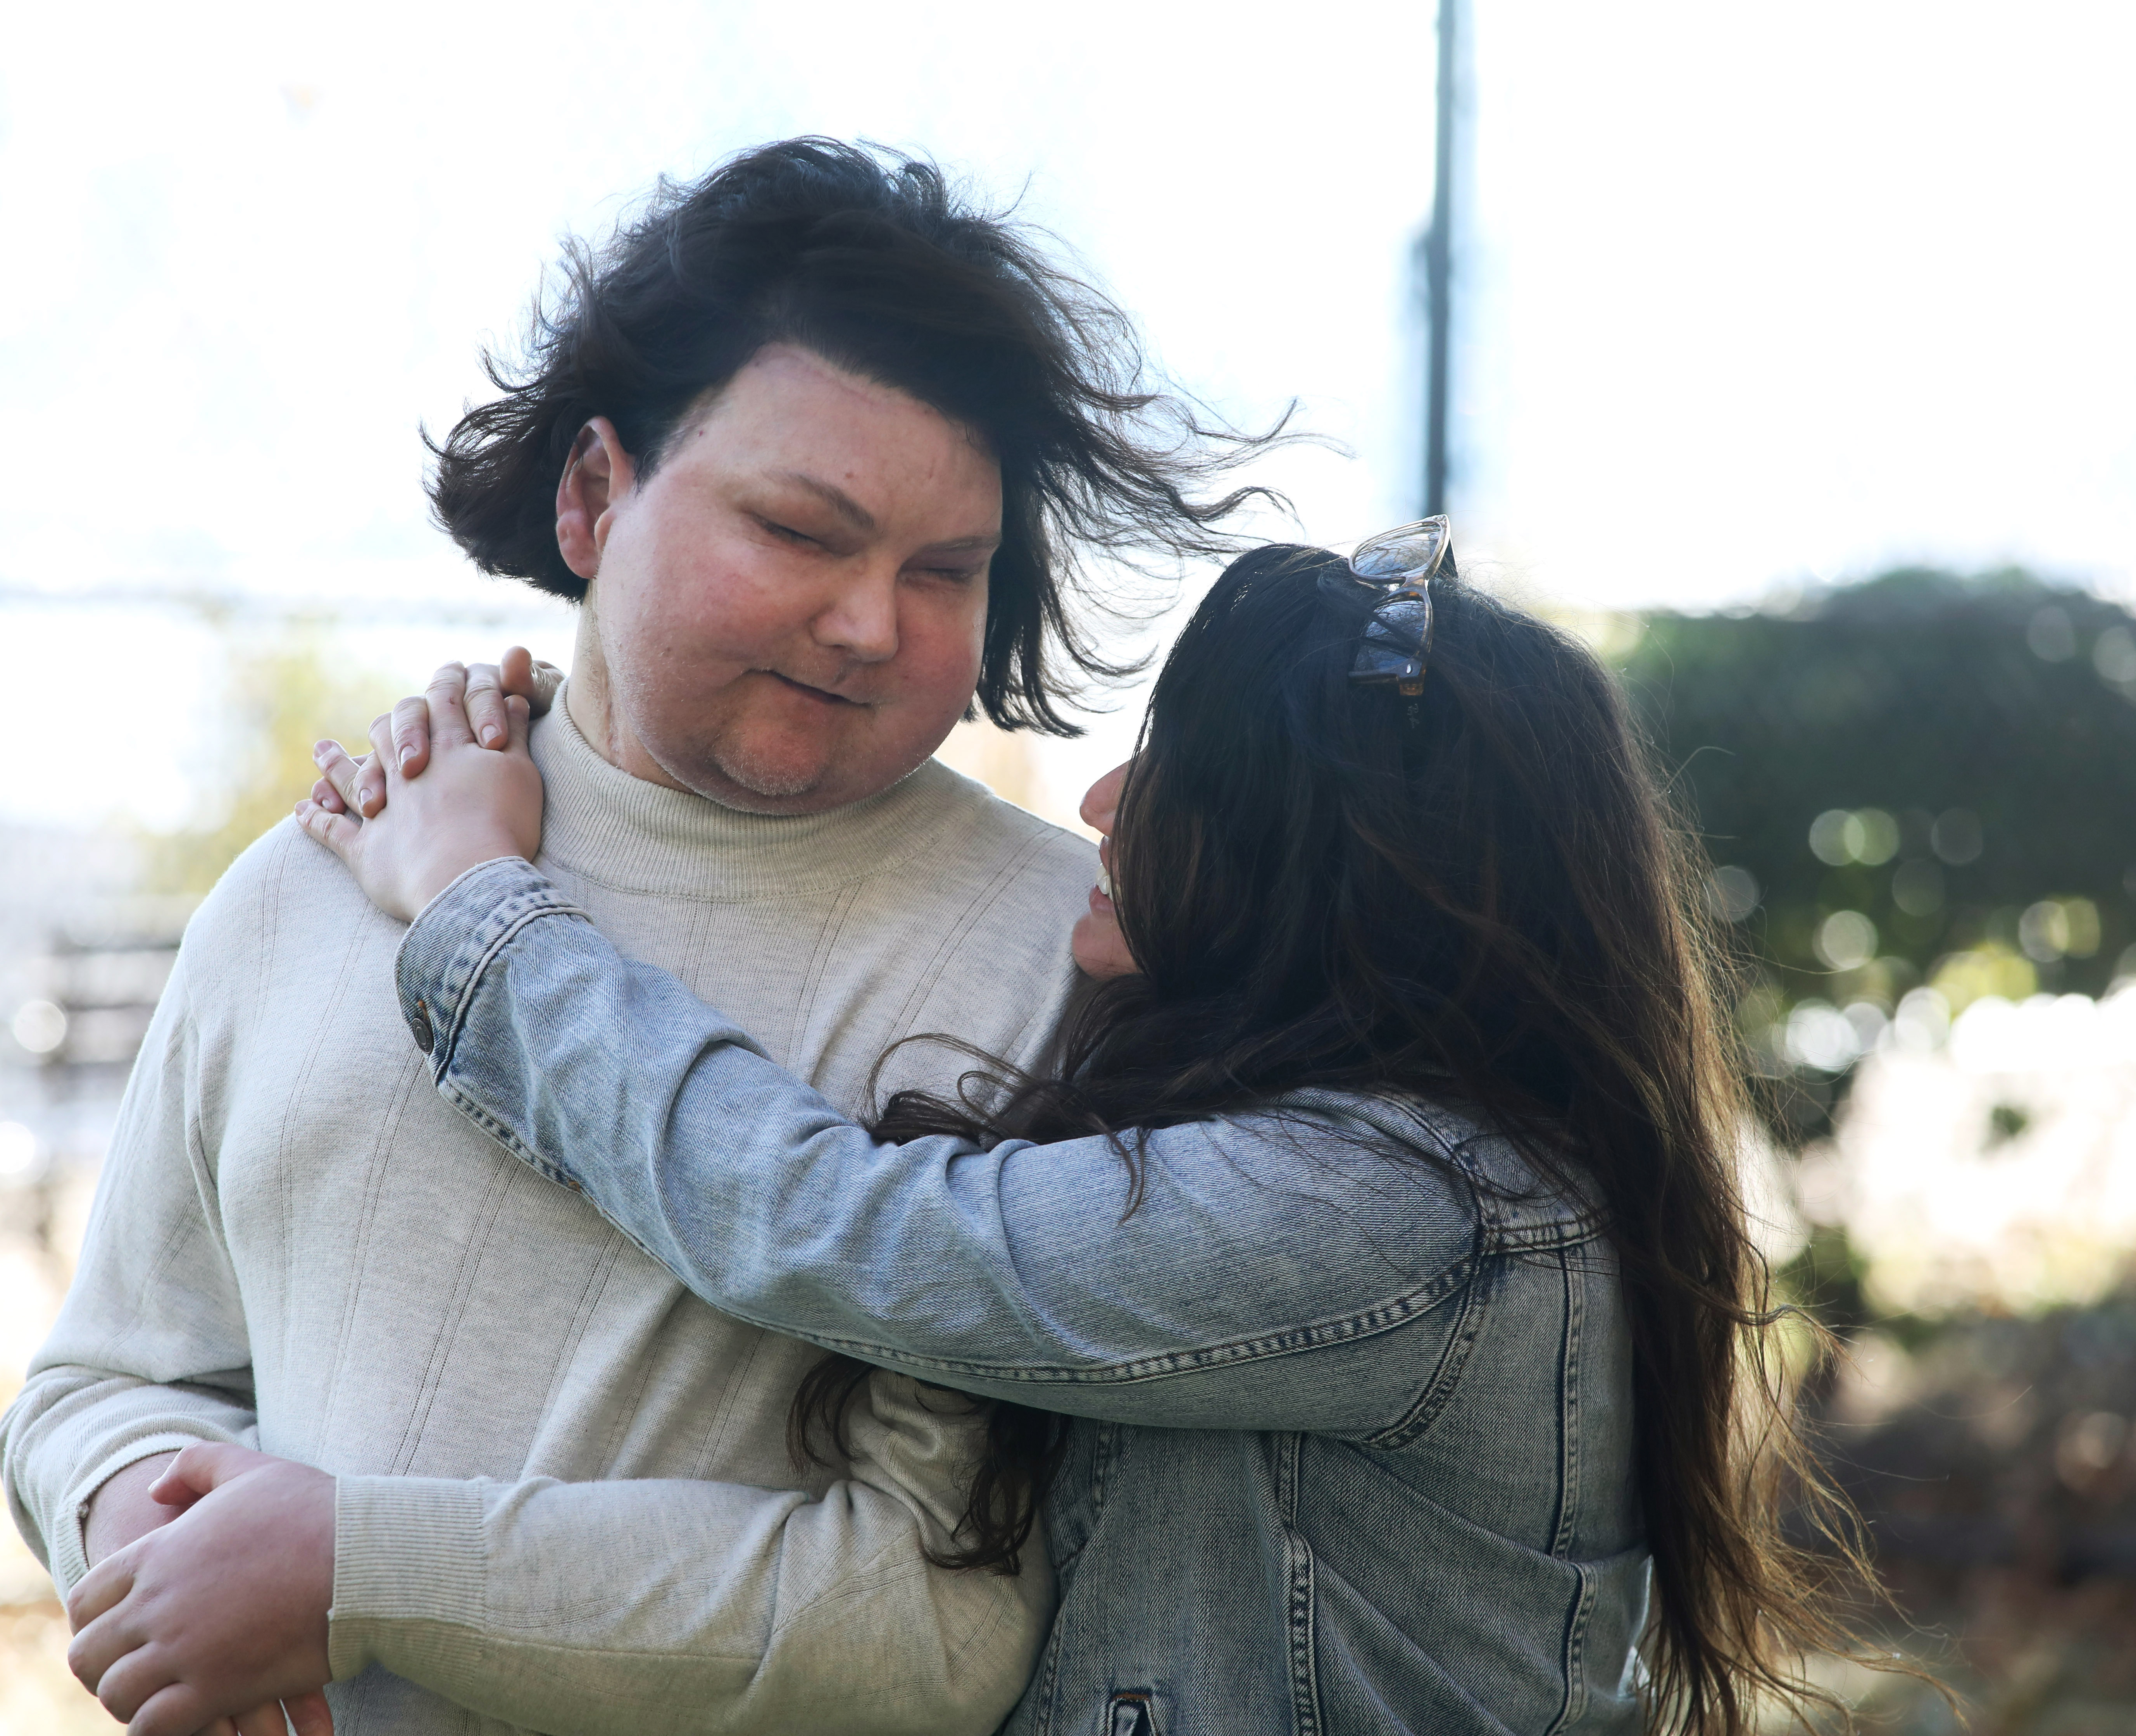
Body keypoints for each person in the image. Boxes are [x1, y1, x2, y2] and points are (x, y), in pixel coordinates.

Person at [186, 529, 1883, 1733]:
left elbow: (850, 1232)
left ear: (1322, 870)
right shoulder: (1387, 1159)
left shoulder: (1408, 1212)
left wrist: (479, 907)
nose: (1099, 803)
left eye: (1178, 776)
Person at [0, 137, 1267, 1736]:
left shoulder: (1062, 962)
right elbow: (106, 1377)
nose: (870, 623)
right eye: (801, 532)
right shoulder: (315, 872)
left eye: (945, 571)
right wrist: (143, 1524)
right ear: (595, 494)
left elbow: (939, 1618)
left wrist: (354, 1568)